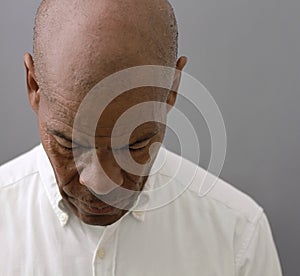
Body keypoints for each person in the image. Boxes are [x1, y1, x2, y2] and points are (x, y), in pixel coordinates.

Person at [0, 0, 282, 275]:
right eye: (69, 144)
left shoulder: (239, 235)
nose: (100, 183)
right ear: (33, 85)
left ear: (172, 88)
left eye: (134, 145)